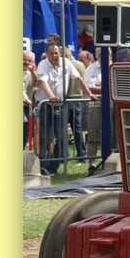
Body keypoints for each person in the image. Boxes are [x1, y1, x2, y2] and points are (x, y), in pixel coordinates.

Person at [34, 43, 98, 174]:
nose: (54, 56)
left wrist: (89, 93)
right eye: (51, 53)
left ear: (60, 53)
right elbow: (42, 82)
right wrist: (51, 96)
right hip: (45, 105)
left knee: (62, 138)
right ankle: (43, 167)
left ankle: (52, 167)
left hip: (60, 105)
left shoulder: (66, 63)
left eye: (56, 53)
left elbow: (78, 79)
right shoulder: (43, 65)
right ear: (47, 55)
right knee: (44, 137)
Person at [83, 47, 104, 174]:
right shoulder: (91, 68)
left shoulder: (113, 66)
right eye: (101, 55)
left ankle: (111, 160)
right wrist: (107, 87)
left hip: (112, 105)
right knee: (93, 134)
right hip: (95, 104)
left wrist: (99, 87)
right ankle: (91, 162)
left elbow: (116, 84)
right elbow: (90, 87)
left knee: (113, 134)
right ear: (97, 56)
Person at [23, 50, 37, 149]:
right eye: (24, 60)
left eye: (29, 60)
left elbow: (36, 83)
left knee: (26, 132)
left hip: (26, 107)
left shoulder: (31, 73)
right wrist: (26, 98)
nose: (26, 62)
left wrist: (32, 72)